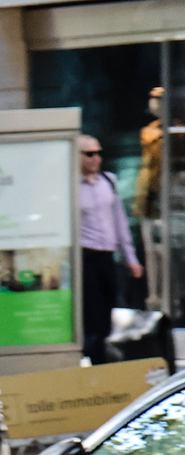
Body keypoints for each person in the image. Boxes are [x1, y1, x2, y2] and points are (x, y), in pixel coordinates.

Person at [79, 133, 144, 364]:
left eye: (98, 153)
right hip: (86, 257)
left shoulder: (109, 181)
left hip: (108, 257)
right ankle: (96, 357)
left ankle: (108, 353)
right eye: (89, 154)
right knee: (93, 313)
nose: (96, 159)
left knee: (111, 307)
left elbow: (120, 221)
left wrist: (131, 257)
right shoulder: (73, 188)